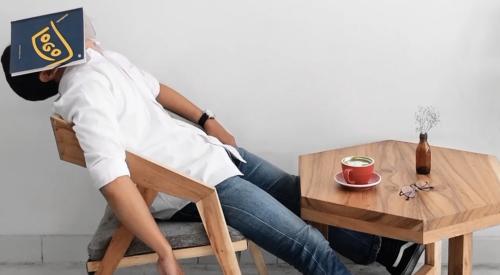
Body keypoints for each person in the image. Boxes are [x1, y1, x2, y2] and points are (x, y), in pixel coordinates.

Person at [1, 19, 423, 275]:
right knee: (304, 242)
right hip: (191, 185)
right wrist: (164, 253)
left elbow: (156, 89)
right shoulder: (83, 95)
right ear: (45, 74)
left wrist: (208, 120)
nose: (56, 31)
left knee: (301, 191)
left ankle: (382, 250)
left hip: (204, 152)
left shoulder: (97, 60)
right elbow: (112, 180)